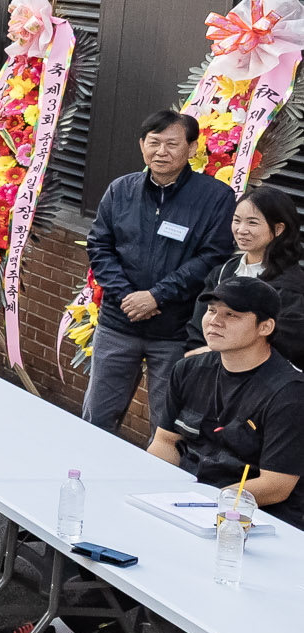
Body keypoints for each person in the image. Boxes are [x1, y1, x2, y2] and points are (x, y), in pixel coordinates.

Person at [83, 110, 239, 436]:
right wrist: (127, 295)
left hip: (174, 331)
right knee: (96, 420)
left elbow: (212, 257)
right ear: (142, 145)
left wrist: (157, 295)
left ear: (192, 148)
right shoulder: (120, 190)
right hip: (118, 325)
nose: (161, 152)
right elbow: (99, 246)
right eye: (153, 143)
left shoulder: (215, 197)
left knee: (167, 430)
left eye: (172, 143)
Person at [148, 277, 304, 527]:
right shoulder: (187, 370)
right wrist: (158, 490)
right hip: (186, 502)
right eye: (211, 311)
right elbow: (165, 441)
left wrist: (206, 503)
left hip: (255, 518)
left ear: (265, 327)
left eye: (231, 315)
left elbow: (276, 485)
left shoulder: (289, 393)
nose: (215, 321)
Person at [192, 185, 304, 367]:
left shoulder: (291, 286)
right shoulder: (221, 273)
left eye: (252, 222)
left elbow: (286, 343)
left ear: (278, 229)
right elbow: (196, 328)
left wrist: (213, 354)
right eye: (237, 220)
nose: (241, 230)